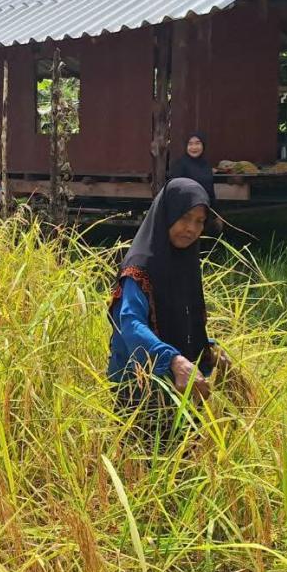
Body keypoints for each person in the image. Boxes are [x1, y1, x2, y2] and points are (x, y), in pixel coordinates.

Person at [107, 178, 224, 445]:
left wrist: (211, 349)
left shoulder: (186, 262)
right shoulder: (140, 265)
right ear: (167, 214)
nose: (191, 228)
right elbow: (131, 323)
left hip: (183, 389)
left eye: (199, 221)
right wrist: (173, 360)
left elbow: (183, 321)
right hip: (144, 389)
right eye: (184, 218)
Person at [169, 132, 215, 203]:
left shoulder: (206, 165)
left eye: (197, 143)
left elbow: (211, 191)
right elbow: (174, 190)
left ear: (203, 145)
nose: (194, 147)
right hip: (186, 207)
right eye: (190, 144)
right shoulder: (180, 165)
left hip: (204, 206)